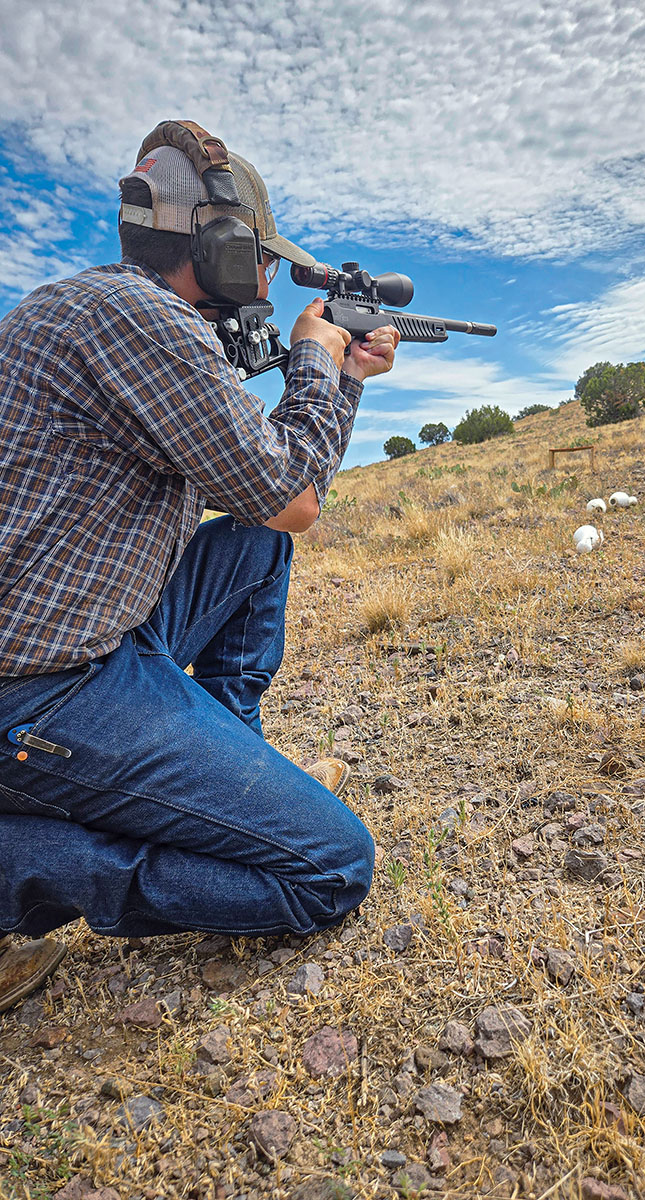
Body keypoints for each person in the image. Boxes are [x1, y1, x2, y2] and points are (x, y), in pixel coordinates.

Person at [0, 121, 400, 1012]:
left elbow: (266, 504)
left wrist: (339, 373)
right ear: (217, 243)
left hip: (91, 637)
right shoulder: (147, 322)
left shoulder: (101, 307)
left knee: (255, 549)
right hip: (39, 689)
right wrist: (321, 356)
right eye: (261, 258)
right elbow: (292, 492)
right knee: (331, 869)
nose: (268, 280)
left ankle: (234, 765)